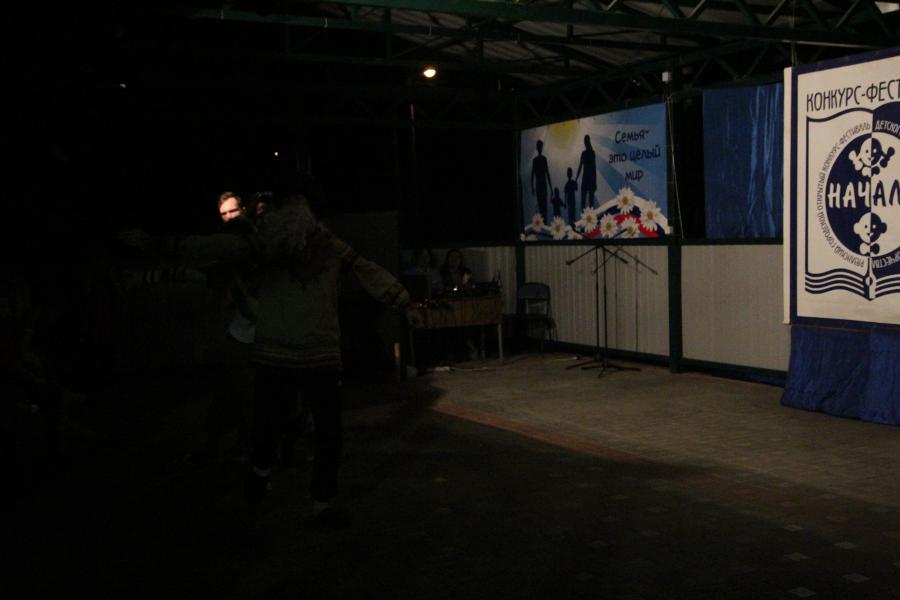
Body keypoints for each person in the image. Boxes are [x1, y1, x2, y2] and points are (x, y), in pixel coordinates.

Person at [122, 194, 416, 523]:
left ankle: (302, 491)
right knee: (280, 428)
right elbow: (215, 248)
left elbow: (366, 269)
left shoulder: (299, 245)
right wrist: (159, 246)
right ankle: (277, 479)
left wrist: (404, 302)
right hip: (290, 354)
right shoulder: (275, 246)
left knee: (308, 430)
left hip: (304, 355)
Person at [530, 140, 552, 224]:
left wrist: (550, 188)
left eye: (541, 147)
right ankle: (543, 223)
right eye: (539, 147)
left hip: (542, 185)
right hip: (540, 185)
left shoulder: (542, 159)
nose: (540, 148)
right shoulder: (536, 160)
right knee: (541, 206)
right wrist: (532, 187)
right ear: (538, 148)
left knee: (543, 206)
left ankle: (544, 223)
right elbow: (533, 174)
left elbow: (547, 173)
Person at [575, 135, 597, 211]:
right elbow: (580, 167)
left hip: (589, 179)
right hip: (587, 179)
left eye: (586, 141)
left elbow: (593, 168)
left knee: (588, 201)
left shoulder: (590, 153)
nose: (585, 143)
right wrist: (576, 178)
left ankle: (590, 215)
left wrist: (594, 182)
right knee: (585, 201)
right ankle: (584, 215)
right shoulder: (586, 153)